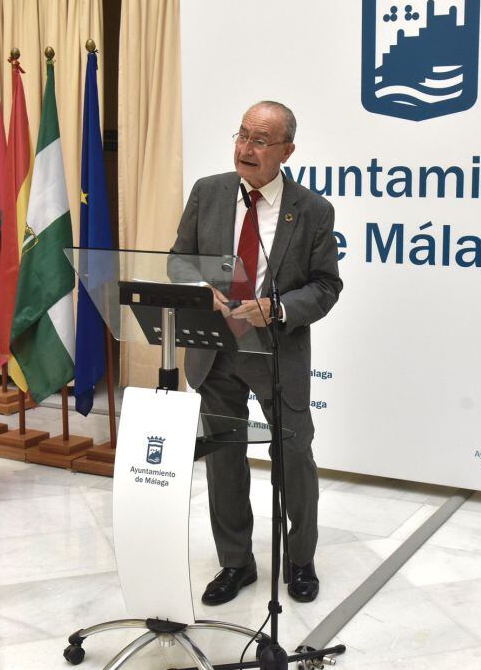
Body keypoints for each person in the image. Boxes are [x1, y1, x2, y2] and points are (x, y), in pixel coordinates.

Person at [170, 101, 342, 604]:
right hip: (214, 349)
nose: (246, 148)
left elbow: (327, 286)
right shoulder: (210, 192)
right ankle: (235, 563)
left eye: (260, 140)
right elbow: (179, 260)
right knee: (224, 459)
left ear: (287, 150)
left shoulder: (311, 210)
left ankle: (301, 560)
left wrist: (280, 308)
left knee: (293, 457)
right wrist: (202, 287)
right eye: (242, 135)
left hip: (275, 351)